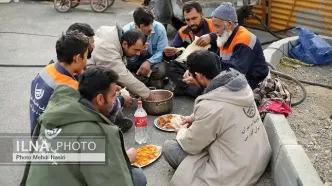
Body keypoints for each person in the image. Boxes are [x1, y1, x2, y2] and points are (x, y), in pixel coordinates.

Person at [22, 67, 147, 186]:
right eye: (113, 95)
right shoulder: (99, 134)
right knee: (137, 177)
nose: (115, 101)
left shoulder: (54, 112)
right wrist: (123, 160)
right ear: (99, 99)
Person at [162, 50, 272, 186]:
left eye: (191, 74)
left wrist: (181, 132)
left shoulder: (210, 107)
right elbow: (221, 104)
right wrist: (193, 117)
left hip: (234, 174)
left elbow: (192, 145)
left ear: (199, 75)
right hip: (258, 159)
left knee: (169, 147)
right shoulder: (240, 86)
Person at [29, 30, 89, 136]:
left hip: (36, 132)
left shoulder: (47, 70)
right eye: (86, 56)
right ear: (77, 58)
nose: (86, 62)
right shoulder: (71, 88)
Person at [208, 2, 269, 89]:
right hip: (239, 79)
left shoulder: (244, 39)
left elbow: (235, 73)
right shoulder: (225, 36)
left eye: (217, 26)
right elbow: (217, 60)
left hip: (253, 84)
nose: (215, 30)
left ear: (229, 24)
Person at [164, 1, 217, 97]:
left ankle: (184, 88)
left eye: (194, 18)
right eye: (187, 20)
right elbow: (176, 50)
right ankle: (198, 90)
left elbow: (227, 36)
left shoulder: (214, 26)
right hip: (192, 66)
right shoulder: (183, 31)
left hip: (211, 65)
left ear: (202, 14)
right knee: (171, 66)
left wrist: (212, 37)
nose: (191, 23)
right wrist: (169, 53)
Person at [87, 25, 154, 100]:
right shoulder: (107, 48)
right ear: (125, 44)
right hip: (87, 83)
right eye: (136, 50)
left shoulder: (116, 41)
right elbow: (123, 76)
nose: (138, 53)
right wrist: (147, 94)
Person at [123, 7, 168, 89]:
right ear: (137, 26)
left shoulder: (160, 29)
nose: (150, 27)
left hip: (152, 64)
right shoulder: (126, 31)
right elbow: (124, 56)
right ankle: (151, 82)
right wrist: (138, 51)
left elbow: (161, 51)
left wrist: (149, 62)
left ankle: (137, 82)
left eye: (151, 23)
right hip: (133, 64)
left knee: (162, 70)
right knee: (122, 71)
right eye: (146, 25)